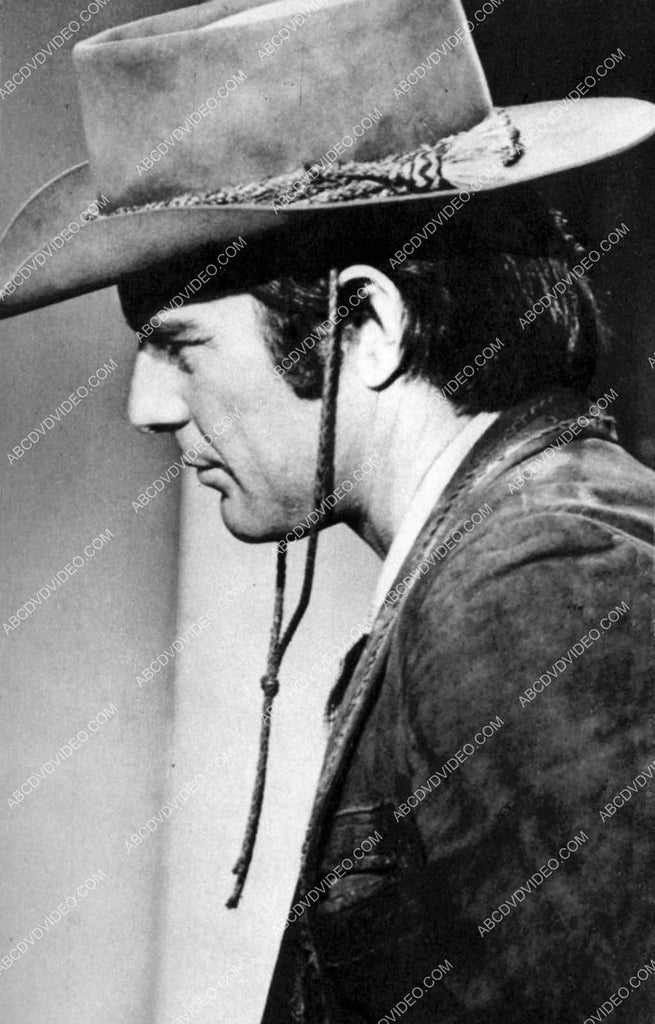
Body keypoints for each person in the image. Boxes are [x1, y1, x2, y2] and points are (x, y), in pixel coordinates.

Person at [2, 1, 655, 1021]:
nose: (147, 407)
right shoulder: (499, 550)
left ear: (368, 324)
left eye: (181, 345)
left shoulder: (530, 584)